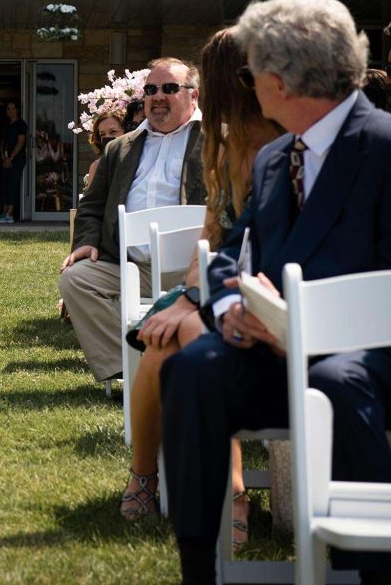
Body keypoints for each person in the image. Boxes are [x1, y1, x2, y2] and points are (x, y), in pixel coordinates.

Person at [160, 0, 391, 584]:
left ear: (281, 81)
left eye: (249, 74)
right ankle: (200, 566)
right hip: (269, 350)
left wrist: (306, 324)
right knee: (193, 369)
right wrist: (232, 306)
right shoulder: (274, 159)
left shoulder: (383, 147)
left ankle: (366, 565)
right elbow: (232, 254)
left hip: (365, 355)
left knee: (337, 380)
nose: (245, 88)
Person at [119, 30, 283, 551]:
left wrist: (202, 301)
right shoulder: (224, 148)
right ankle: (162, 479)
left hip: (264, 291)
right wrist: (194, 292)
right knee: (165, 336)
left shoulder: (288, 146)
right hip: (212, 285)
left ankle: (200, 486)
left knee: (174, 339)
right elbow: (210, 240)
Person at [59, 57, 206, 383]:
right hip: (131, 268)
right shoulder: (120, 149)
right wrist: (86, 241)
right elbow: (91, 206)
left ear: (193, 96)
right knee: (76, 279)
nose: (158, 96)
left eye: (169, 88)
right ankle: (131, 370)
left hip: (195, 269)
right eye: (151, 90)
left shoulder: (217, 142)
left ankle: (166, 370)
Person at [0, 100, 27, 224]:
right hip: (6, 160)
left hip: (17, 160)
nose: (11, 111)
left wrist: (11, 158)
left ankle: (9, 214)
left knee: (13, 185)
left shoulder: (21, 124)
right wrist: (4, 157)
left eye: (13, 108)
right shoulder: (7, 126)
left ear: (17, 110)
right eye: (8, 108)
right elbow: (2, 143)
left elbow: (20, 142)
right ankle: (4, 212)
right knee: (5, 186)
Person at [83, 109, 125, 190]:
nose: (107, 137)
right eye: (102, 134)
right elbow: (93, 197)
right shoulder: (97, 166)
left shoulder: (139, 159)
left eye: (113, 132)